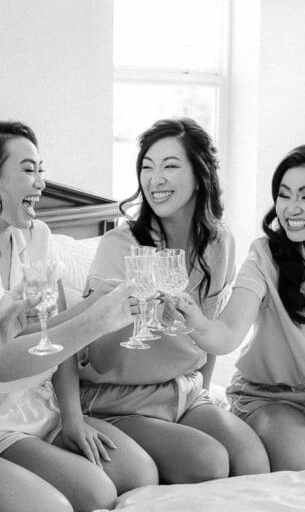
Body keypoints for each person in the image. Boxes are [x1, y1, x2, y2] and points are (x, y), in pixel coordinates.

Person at [0, 120, 157, 512]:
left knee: (140, 474)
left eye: (42, 169)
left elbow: (53, 336)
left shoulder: (38, 236)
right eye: (28, 169)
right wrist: (94, 319)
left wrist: (73, 418)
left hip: (43, 404)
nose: (41, 182)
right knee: (95, 494)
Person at [80, 118, 269, 482]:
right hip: (117, 397)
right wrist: (125, 308)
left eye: (170, 166)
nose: (155, 179)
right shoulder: (119, 247)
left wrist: (204, 391)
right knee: (209, 463)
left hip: (181, 390)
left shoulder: (219, 243)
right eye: (147, 168)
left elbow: (211, 334)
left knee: (253, 462)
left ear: (199, 175)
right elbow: (95, 357)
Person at [170, 144, 305, 472]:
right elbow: (228, 332)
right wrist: (196, 322)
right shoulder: (264, 256)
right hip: (268, 398)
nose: (291, 208)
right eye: (284, 195)